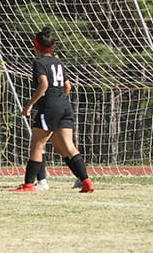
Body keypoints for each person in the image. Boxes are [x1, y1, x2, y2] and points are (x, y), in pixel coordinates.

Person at [12, 27, 94, 193]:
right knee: (66, 146)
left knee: (37, 144)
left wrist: (29, 105)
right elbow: (68, 86)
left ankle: (28, 185)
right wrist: (60, 99)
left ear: (36, 45)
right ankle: (86, 182)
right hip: (64, 105)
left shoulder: (39, 63)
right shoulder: (58, 62)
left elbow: (43, 85)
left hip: (49, 106)